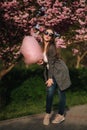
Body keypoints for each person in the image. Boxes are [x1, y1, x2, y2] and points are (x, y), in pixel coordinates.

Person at [38, 28, 71, 125]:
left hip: (60, 72)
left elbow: (51, 64)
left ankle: (61, 115)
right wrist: (41, 63)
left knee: (61, 94)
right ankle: (47, 115)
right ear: (43, 34)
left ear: (52, 37)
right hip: (51, 72)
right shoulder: (41, 46)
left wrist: (50, 78)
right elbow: (47, 63)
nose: (48, 35)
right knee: (50, 93)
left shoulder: (51, 47)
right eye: (46, 33)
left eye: (51, 34)